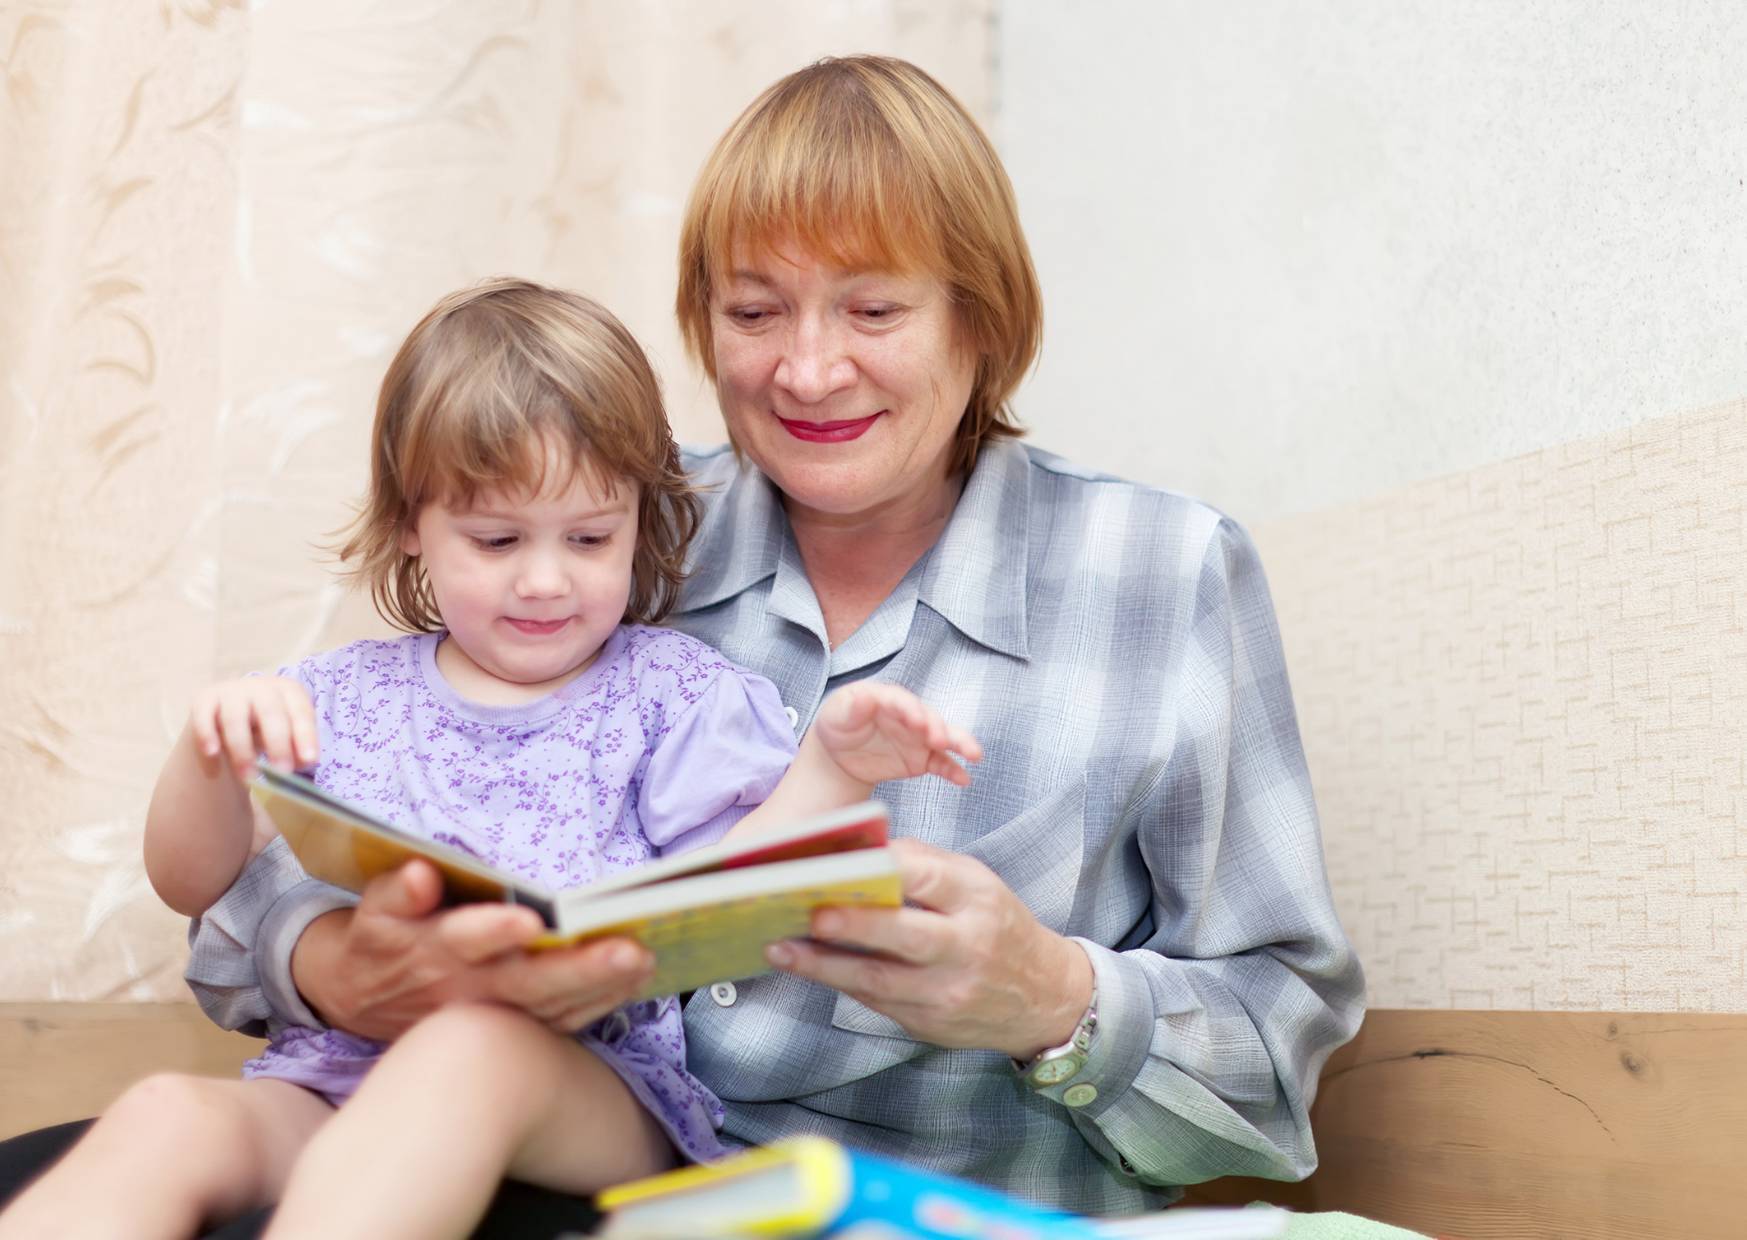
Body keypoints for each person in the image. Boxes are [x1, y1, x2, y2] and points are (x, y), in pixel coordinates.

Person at [0, 55, 1365, 1234]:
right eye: (753, 311)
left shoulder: (1160, 572)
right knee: (92, 1153)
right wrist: (326, 960)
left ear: (979, 318)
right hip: (506, 1176)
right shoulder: (606, 513)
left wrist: (1049, 997)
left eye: (872, 311)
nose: (806, 370)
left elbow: (1275, 1073)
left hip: (873, 1202)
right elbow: (286, 861)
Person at [0, 278, 980, 1240]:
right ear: (410, 530)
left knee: (467, 1050)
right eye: (497, 538)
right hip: (341, 1075)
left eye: (591, 537)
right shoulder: (335, 699)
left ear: (641, 518)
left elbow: (735, 882)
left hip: (585, 1092)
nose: (547, 579)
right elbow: (186, 880)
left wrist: (834, 767)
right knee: (166, 1113)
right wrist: (209, 754)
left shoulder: (668, 694)